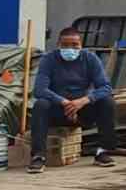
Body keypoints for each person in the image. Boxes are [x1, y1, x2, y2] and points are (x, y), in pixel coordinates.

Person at [31, 23, 117, 170]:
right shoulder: (48, 60)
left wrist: (83, 101)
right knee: (40, 104)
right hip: (57, 111)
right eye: (65, 45)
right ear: (58, 45)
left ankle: (103, 151)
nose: (70, 49)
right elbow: (39, 89)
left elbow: (105, 87)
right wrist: (63, 102)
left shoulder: (90, 59)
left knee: (107, 102)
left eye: (74, 45)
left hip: (83, 111)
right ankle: (38, 156)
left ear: (81, 45)